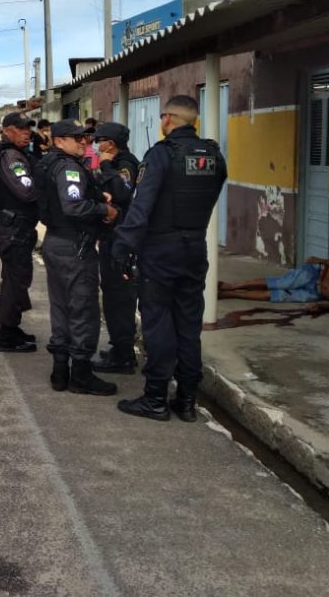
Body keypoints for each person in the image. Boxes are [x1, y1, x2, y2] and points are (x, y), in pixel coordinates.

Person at [112, 95, 227, 422]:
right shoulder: (214, 156)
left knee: (158, 322)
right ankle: (187, 400)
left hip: (161, 251)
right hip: (195, 248)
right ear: (194, 121)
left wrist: (122, 247)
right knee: (188, 325)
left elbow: (141, 207)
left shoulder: (161, 155)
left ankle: (155, 399)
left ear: (167, 120)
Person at [36, 120, 120, 395]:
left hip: (57, 242)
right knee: (83, 309)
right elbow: (73, 205)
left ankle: (60, 372)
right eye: (76, 138)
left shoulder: (50, 163)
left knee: (61, 307)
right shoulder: (69, 167)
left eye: (84, 137)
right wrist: (103, 210)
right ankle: (81, 375)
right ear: (59, 141)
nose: (83, 142)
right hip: (75, 245)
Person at [90, 122, 142, 374]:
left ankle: (123, 355)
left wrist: (106, 165)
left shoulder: (125, 164)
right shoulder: (119, 162)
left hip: (121, 239)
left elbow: (122, 191)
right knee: (111, 293)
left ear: (110, 143)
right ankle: (119, 348)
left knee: (119, 295)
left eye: (99, 140)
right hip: (112, 236)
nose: (97, 145)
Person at [0, 112, 40, 352]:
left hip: (14, 225)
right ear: (8, 130)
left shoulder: (17, 153)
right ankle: (7, 334)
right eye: (21, 128)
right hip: (13, 225)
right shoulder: (10, 156)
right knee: (16, 281)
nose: (27, 132)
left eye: (28, 127)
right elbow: (26, 191)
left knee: (13, 278)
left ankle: (11, 328)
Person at [219, 258, 329, 311]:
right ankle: (231, 285)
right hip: (316, 273)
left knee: (273, 296)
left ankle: (230, 294)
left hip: (315, 294)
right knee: (277, 283)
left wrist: (321, 306)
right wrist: (321, 260)